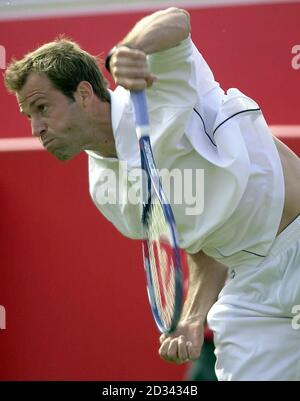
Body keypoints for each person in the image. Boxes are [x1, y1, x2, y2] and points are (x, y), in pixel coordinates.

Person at [4, 7, 300, 381]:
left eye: (41, 108)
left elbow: (177, 21)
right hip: (252, 285)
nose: (36, 128)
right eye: (28, 116)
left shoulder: (154, 89)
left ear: (83, 94)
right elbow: (201, 244)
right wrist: (193, 317)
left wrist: (129, 48)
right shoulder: (106, 191)